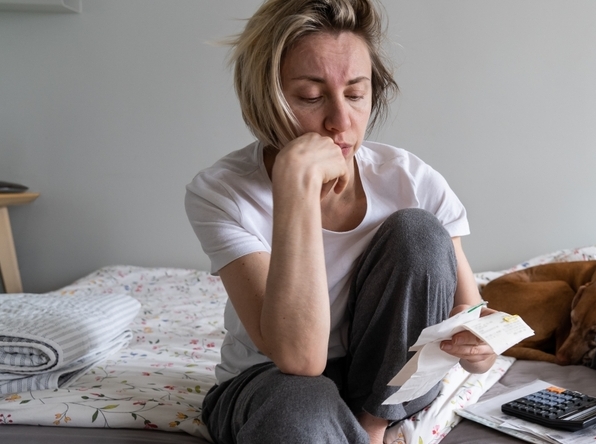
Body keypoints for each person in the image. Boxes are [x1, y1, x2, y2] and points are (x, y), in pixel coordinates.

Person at [184, 1, 497, 442]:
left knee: (419, 232)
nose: (340, 121)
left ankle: (372, 426)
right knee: (297, 409)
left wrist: (478, 349)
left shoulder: (411, 178)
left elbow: (471, 314)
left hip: (388, 385)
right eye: (310, 97)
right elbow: (299, 360)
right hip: (273, 379)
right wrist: (295, 190)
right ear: (265, 96)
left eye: (355, 93)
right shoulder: (221, 192)